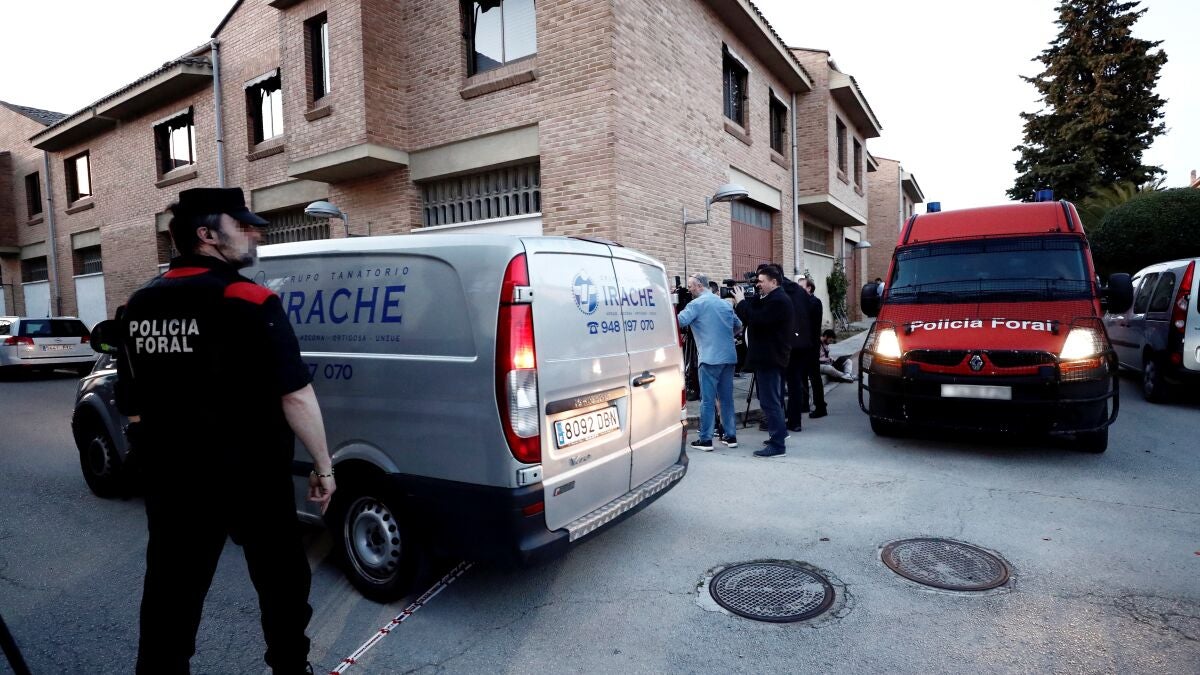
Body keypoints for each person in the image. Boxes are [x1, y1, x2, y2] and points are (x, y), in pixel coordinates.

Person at [116, 187, 335, 674]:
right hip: (250, 476)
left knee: (171, 591)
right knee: (281, 583)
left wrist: (148, 453)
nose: (255, 234)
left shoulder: (138, 304)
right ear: (207, 235)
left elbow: (131, 401)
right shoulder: (248, 299)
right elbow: (296, 394)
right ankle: (290, 668)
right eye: (242, 226)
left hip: (173, 479)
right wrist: (324, 466)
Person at [678, 274, 742, 449]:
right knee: (726, 399)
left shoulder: (696, 304)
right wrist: (725, 336)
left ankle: (706, 439)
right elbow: (738, 325)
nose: (689, 289)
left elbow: (678, 322)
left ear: (699, 285)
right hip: (728, 357)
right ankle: (730, 436)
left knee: (707, 400)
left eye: (690, 286)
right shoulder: (725, 304)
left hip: (709, 358)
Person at [733, 266, 792, 457]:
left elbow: (757, 319)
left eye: (761, 281)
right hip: (768, 358)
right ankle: (778, 435)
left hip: (770, 359)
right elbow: (756, 311)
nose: (758, 284)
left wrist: (741, 302)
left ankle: (777, 445)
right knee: (770, 401)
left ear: (774, 282)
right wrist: (750, 297)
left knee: (770, 402)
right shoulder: (771, 298)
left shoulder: (779, 301)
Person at [776, 266, 814, 433]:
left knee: (777, 383)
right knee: (795, 383)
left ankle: (778, 420)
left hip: (784, 344)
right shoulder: (800, 292)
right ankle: (795, 421)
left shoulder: (778, 293)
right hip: (802, 343)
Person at [802, 277, 828, 418]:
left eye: (801, 287)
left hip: (811, 346)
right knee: (802, 375)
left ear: (809, 288)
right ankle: (804, 403)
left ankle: (820, 406)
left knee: (814, 377)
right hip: (803, 345)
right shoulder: (805, 301)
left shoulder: (814, 302)